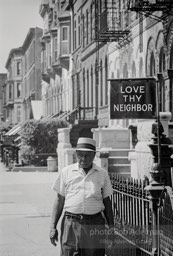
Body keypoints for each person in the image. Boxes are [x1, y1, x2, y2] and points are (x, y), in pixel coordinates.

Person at [49, 137, 114, 256]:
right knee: (69, 253)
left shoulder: (102, 174)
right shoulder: (66, 172)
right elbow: (59, 200)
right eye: (80, 155)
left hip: (95, 224)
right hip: (71, 223)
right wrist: (53, 227)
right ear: (76, 155)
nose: (83, 159)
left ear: (94, 155)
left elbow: (107, 202)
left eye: (87, 155)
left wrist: (111, 228)